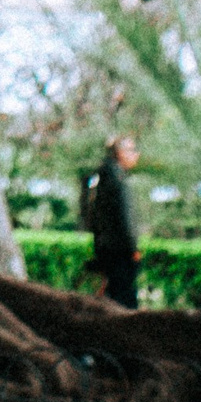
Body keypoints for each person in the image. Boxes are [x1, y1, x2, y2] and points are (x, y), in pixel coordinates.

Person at [87, 132, 144, 309]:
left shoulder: (103, 176)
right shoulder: (117, 180)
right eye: (131, 150)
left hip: (107, 249)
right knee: (124, 301)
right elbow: (124, 218)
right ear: (120, 153)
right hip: (120, 252)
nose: (136, 154)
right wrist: (132, 248)